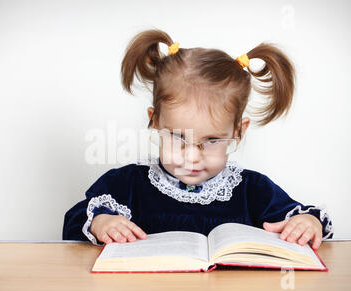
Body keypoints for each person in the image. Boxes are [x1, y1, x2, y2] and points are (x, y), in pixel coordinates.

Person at [62, 29, 333, 248]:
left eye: (212, 140)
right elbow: (74, 222)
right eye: (179, 137)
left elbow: (300, 220)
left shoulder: (253, 190)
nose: (192, 157)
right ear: (155, 122)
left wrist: (309, 222)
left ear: (238, 131)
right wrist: (101, 223)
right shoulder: (127, 184)